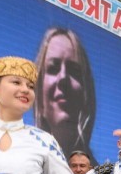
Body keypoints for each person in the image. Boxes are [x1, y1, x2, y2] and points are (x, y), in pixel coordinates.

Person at [34, 27, 97, 163]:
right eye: (53, 68)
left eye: (74, 70)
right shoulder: (24, 160)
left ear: (86, 93)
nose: (63, 77)